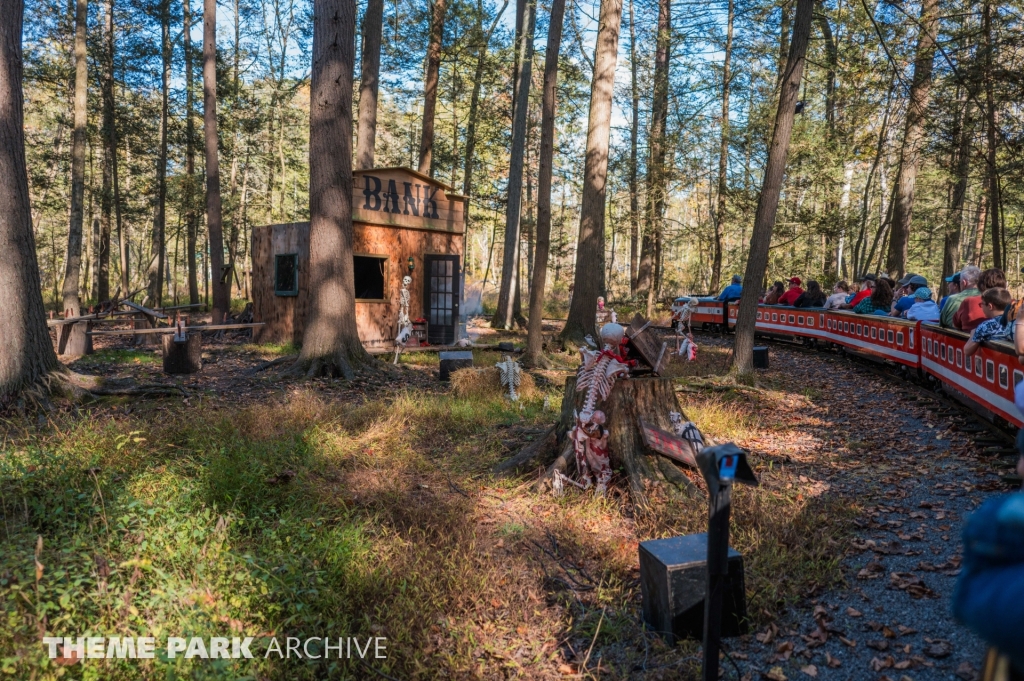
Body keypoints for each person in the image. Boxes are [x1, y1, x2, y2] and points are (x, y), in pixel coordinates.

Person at [964, 287, 1013, 359]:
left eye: (982, 304)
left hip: (996, 362)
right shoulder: (1015, 322)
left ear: (990, 306)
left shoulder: (985, 326)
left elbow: (967, 351)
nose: (981, 307)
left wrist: (973, 335)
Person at [955, 268, 1006, 332]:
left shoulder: (970, 302)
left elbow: (956, 324)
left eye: (981, 304)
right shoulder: (1013, 305)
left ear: (980, 286)